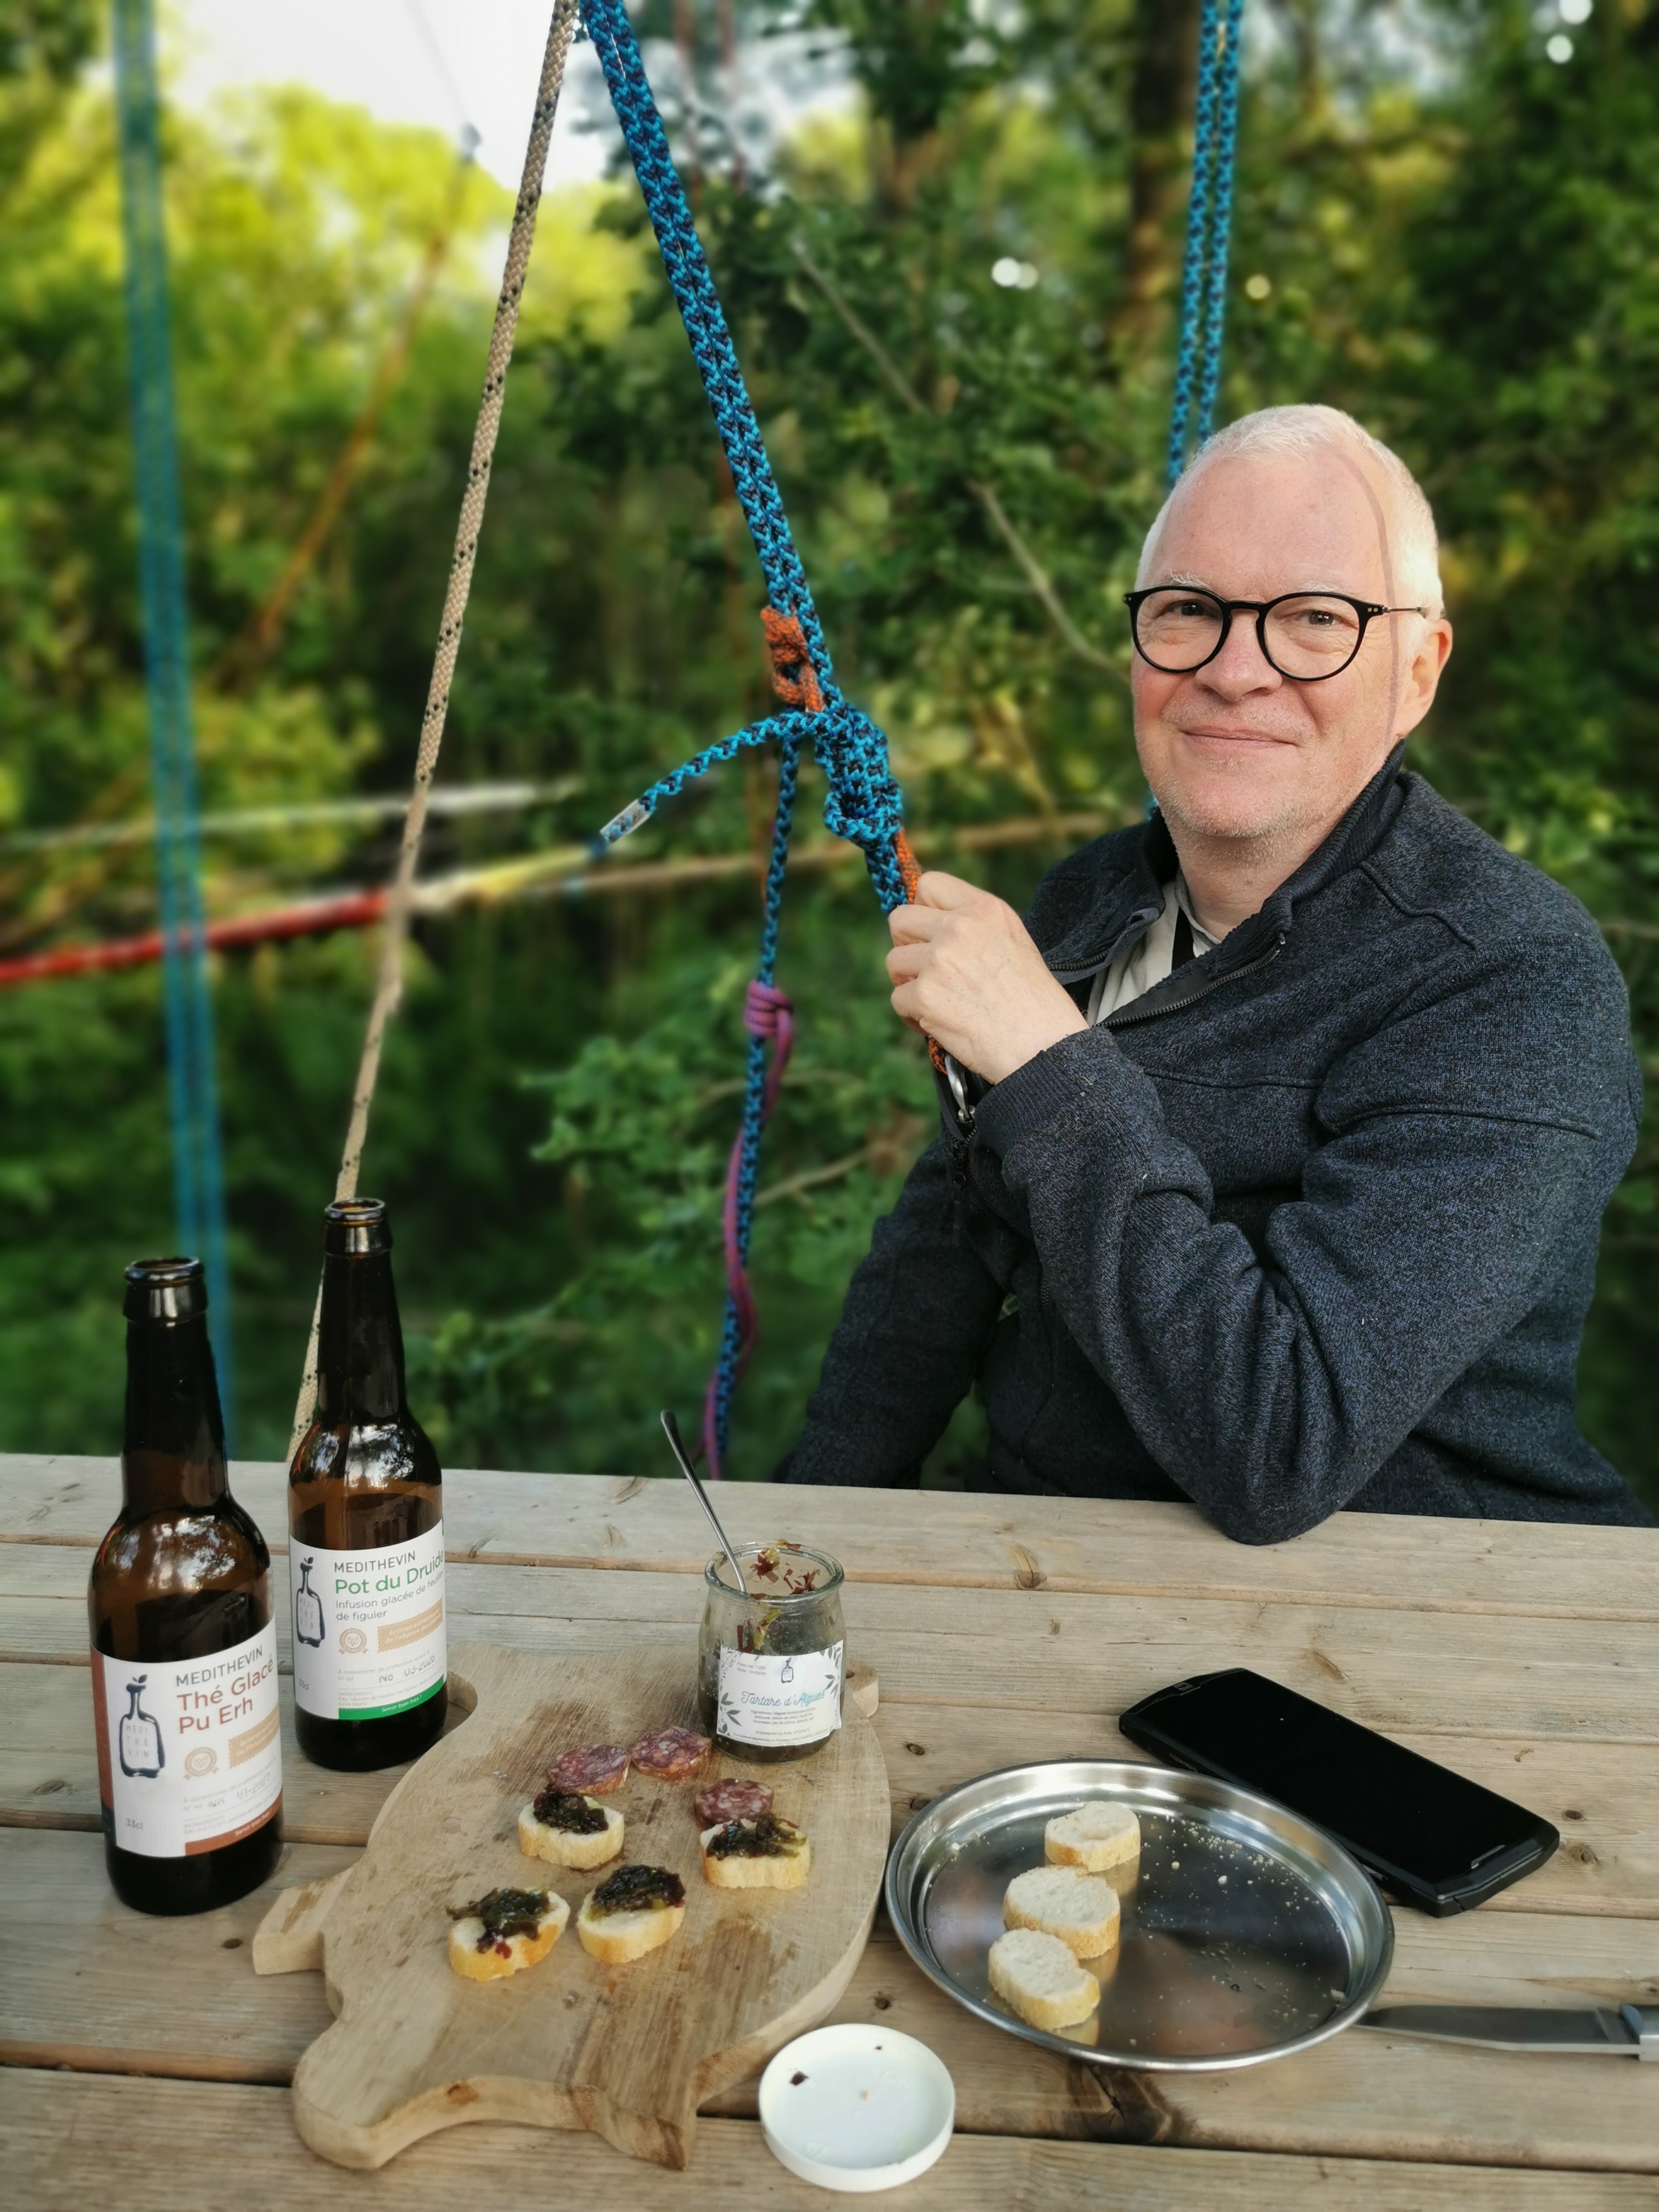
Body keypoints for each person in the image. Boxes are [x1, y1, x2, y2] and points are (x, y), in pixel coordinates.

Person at [782, 404, 1649, 1539]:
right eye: (1190, 610)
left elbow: (1281, 1445)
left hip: (1423, 1620)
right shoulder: (1088, 902)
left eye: (1314, 620)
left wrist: (1049, 1064)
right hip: (1052, 1572)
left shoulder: (1511, 982)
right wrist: (791, 1541)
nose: (1239, 670)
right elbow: (938, 1266)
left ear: (1419, 670)